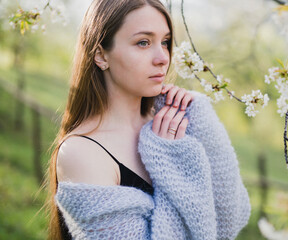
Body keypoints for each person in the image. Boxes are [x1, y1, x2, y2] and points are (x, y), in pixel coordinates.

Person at [45, 0, 251, 239]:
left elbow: (230, 221)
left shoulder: (177, 125)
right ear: (101, 55)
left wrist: (200, 114)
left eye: (164, 42)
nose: (163, 57)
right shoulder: (82, 153)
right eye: (143, 42)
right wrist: (172, 162)